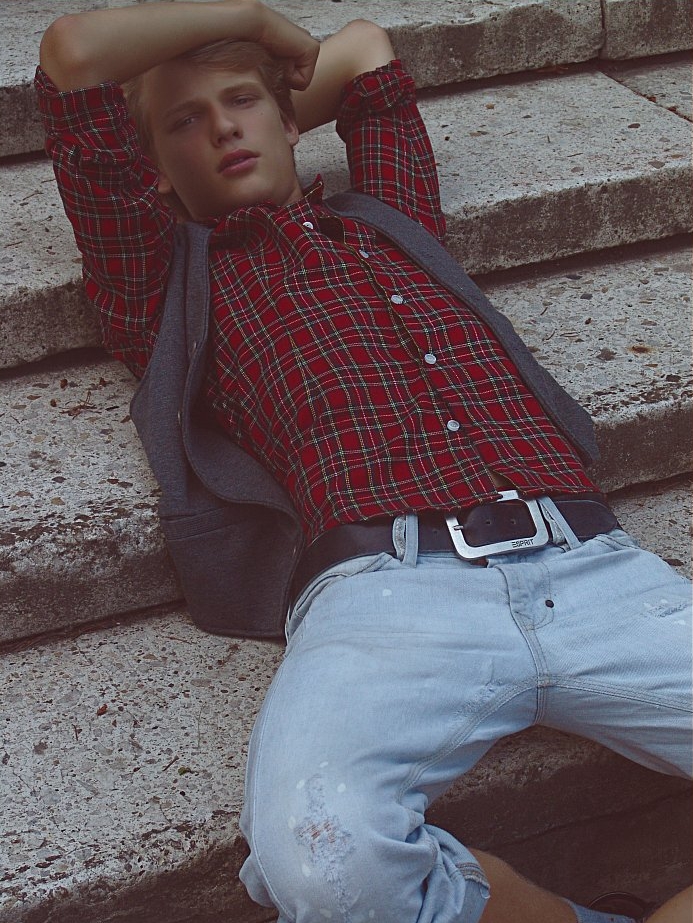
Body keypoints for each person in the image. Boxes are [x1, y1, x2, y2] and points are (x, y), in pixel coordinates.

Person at [37, 2, 692, 921]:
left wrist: (273, 77)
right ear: (152, 170)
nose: (222, 128)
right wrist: (252, 20)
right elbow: (72, 55)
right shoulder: (162, 281)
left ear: (290, 119)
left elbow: (367, 52)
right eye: (185, 121)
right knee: (321, 860)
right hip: (389, 596)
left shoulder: (391, 218)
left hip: (592, 568)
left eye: (241, 102)